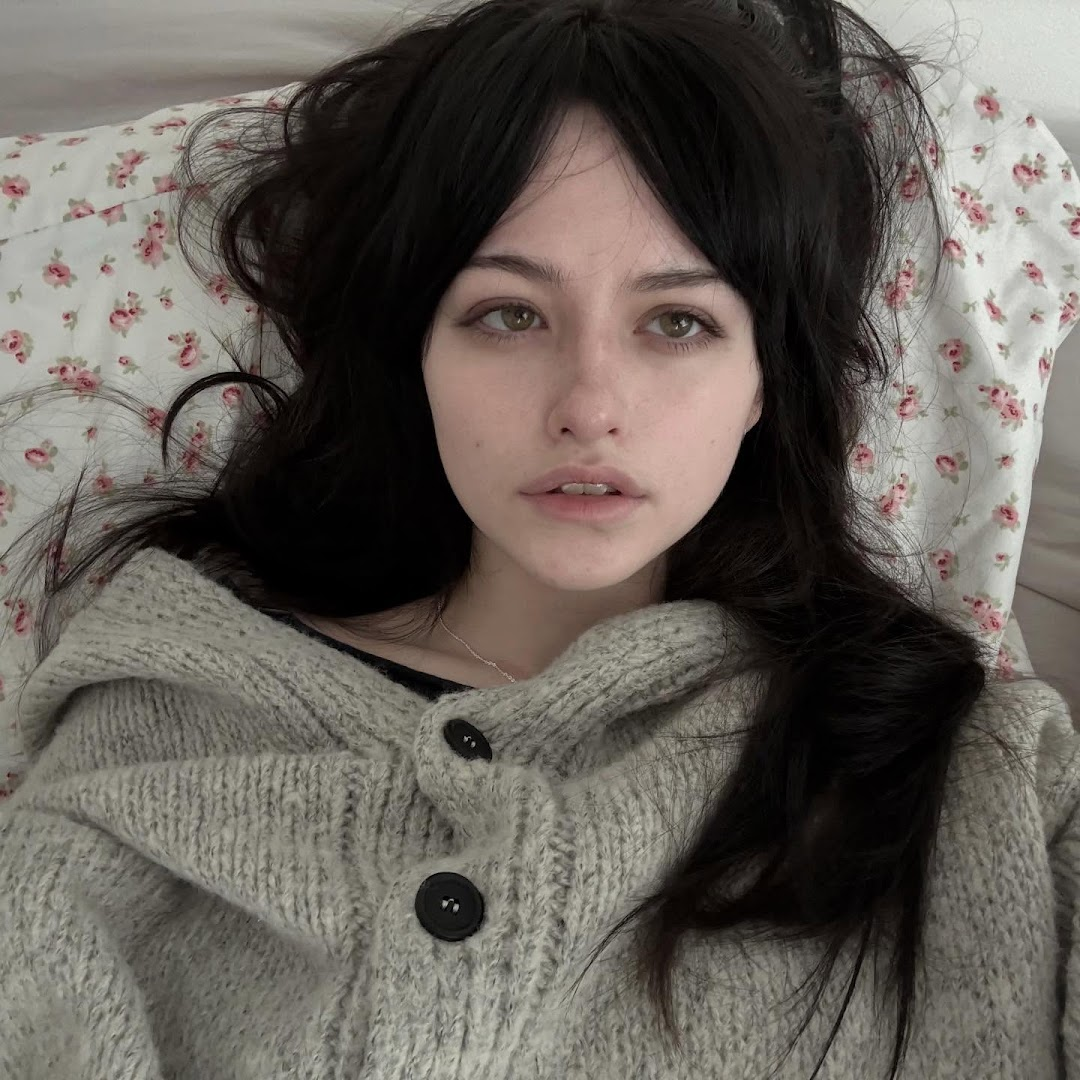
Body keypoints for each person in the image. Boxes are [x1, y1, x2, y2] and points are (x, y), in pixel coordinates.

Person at [0, 0, 1075, 1077]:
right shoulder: (162, 722)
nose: (588, 407)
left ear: (764, 384)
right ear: (416, 355)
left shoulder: (973, 772)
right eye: (509, 314)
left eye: (678, 322)